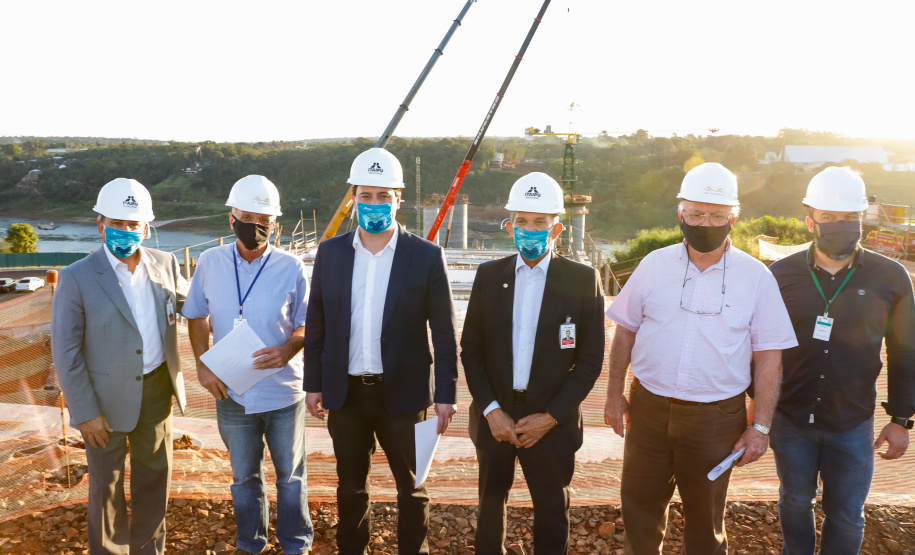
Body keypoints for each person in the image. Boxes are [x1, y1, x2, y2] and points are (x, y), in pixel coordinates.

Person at [603, 162, 798, 554]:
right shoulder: (654, 265)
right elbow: (625, 330)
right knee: (639, 514)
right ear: (681, 215)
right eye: (696, 213)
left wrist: (759, 427)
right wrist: (613, 394)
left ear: (734, 218)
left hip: (717, 418)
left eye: (716, 215)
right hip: (649, 409)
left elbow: (769, 358)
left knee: (705, 526)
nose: (704, 222)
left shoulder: (756, 277)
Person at [303, 147, 458, 555]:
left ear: (398, 199)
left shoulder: (425, 257)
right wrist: (313, 384)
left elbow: (444, 332)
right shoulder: (331, 253)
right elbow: (317, 322)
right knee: (351, 488)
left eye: (383, 195)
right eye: (366, 195)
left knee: (412, 488)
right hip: (347, 393)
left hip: (404, 397)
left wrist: (446, 393)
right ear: (353, 198)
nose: (374, 204)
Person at [769, 166, 915, 555]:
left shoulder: (891, 277)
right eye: (829, 218)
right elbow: (758, 347)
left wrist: (901, 419)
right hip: (791, 418)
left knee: (847, 515)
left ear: (862, 218)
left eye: (849, 217)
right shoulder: (780, 275)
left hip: (852, 423)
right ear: (810, 221)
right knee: (795, 500)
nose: (840, 225)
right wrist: (756, 408)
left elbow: (906, 352)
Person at [462, 172, 605, 555]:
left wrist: (551, 416)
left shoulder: (581, 280)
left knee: (552, 512)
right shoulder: (489, 277)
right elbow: (471, 350)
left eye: (539, 222)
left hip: (551, 422)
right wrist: (491, 411)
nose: (530, 229)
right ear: (509, 226)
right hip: (496, 419)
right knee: (490, 511)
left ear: (556, 228)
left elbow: (590, 360)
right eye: (522, 221)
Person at [51, 178, 187, 555]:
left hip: (157, 392)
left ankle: (148, 550)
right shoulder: (77, 277)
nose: (125, 231)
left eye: (133, 224)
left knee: (154, 479)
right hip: (103, 403)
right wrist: (86, 412)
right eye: (116, 223)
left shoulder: (165, 263)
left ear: (146, 227)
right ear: (100, 225)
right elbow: (66, 351)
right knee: (105, 487)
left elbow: (190, 305)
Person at [183, 175, 313, 554]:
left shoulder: (292, 267)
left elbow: (309, 322)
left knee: (291, 477)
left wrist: (290, 347)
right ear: (231, 219)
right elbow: (195, 315)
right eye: (247, 217)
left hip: (283, 391)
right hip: (231, 393)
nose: (255, 226)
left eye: (264, 220)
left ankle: (295, 544)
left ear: (275, 224)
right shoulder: (209, 262)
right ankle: (250, 543)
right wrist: (203, 365)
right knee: (243, 478)